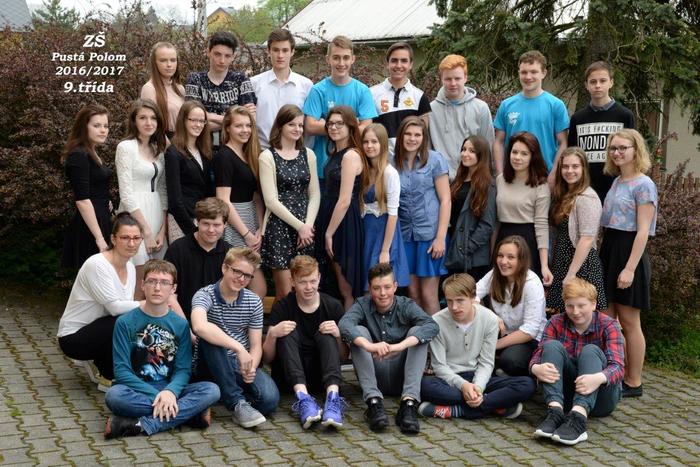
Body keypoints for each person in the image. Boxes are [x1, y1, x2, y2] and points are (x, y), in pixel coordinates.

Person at [103, 259, 220, 439]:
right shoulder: (124, 322)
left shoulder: (180, 324)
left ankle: (143, 424)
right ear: (143, 285)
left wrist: (170, 392)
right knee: (114, 397)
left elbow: (183, 370)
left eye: (164, 282)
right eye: (152, 281)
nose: (157, 288)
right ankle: (189, 414)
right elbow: (122, 371)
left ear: (173, 289)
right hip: (135, 389)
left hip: (170, 386)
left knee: (211, 390)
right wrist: (160, 396)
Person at [339, 262, 439, 434]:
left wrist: (401, 345)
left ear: (395, 286)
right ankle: (374, 403)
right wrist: (369, 346)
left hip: (403, 374)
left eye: (387, 287)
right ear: (370, 288)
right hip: (375, 372)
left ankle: (409, 404)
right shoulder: (362, 304)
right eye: (377, 288)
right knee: (358, 333)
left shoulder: (406, 305)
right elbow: (344, 324)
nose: (383, 293)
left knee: (418, 332)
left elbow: (432, 326)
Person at [419, 274, 536, 420]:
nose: (454, 307)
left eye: (460, 301)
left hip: (478, 376)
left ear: (473, 298)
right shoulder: (436, 322)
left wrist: (478, 387)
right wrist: (464, 386)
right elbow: (440, 367)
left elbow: (486, 363)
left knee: (527, 384)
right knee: (424, 386)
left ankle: (457, 410)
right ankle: (494, 404)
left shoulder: (489, 320)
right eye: (449, 301)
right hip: (448, 379)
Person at [191, 247, 280, 428]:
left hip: (239, 363)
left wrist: (251, 367)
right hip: (209, 363)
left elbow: (255, 345)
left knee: (270, 400)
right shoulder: (205, 294)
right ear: (225, 268)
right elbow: (199, 326)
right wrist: (238, 348)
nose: (241, 279)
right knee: (211, 336)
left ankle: (224, 394)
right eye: (237, 272)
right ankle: (236, 403)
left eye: (247, 276)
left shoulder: (253, 301)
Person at [530, 278, 624, 446]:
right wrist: (535, 368)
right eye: (570, 306)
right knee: (551, 346)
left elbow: (618, 367)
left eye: (581, 305)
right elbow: (538, 354)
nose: (575, 312)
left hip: (601, 397)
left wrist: (597, 378)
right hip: (566, 396)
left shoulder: (609, 325)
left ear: (593, 304)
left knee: (590, 351)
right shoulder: (556, 322)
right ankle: (555, 412)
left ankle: (579, 419)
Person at [600, 129, 657, 398]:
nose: (617, 152)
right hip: (610, 250)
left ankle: (634, 382)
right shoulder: (617, 182)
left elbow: (643, 231)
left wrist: (630, 268)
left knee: (629, 321)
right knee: (608, 319)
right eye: (613, 148)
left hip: (629, 253)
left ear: (636, 150)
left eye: (623, 148)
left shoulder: (644, 184)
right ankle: (616, 374)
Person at [262, 255, 347, 429]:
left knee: (327, 334)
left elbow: (344, 356)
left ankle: (333, 399)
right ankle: (304, 399)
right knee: (286, 333)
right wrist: (272, 335)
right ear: (292, 281)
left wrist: (338, 335)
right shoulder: (283, 307)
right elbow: (267, 358)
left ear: (319, 278)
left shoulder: (333, 306)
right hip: (290, 381)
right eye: (303, 282)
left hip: (322, 379)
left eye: (313, 281)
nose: (309, 287)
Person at [58, 214, 142, 382]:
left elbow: (124, 307)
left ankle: (124, 369)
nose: (131, 243)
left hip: (102, 330)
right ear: (113, 239)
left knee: (135, 322)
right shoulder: (97, 264)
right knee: (125, 322)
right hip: (73, 338)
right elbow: (115, 308)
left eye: (136, 238)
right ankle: (108, 374)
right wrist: (148, 305)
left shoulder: (131, 267)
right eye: (125, 238)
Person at [259, 104, 321, 300]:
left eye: (300, 125)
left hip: (306, 229)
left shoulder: (308, 154)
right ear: (281, 126)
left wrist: (307, 226)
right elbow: (270, 200)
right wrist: (299, 226)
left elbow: (315, 194)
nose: (297, 129)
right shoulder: (267, 156)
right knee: (285, 292)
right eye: (292, 124)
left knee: (305, 287)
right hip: (280, 226)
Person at [394, 116, 451, 314]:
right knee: (413, 295)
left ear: (424, 137)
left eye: (417, 135)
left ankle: (435, 335)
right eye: (408, 134)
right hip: (405, 236)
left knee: (428, 295)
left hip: (430, 236)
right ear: (401, 136)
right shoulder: (392, 162)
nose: (412, 139)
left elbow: (445, 200)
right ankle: (419, 333)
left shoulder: (435, 159)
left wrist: (440, 238)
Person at [303, 35, 377, 180]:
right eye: (336, 58)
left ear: (353, 59)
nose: (341, 63)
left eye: (346, 58)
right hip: (323, 168)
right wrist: (352, 124)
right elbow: (310, 126)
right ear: (328, 59)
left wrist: (326, 124)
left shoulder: (363, 91)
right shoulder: (318, 90)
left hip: (354, 168)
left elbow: (366, 128)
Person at [116, 99, 169, 299]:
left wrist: (162, 230)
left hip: (156, 210)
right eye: (143, 118)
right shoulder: (125, 147)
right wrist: (145, 231)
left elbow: (162, 189)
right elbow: (126, 193)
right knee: (138, 277)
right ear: (134, 121)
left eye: (153, 118)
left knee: (156, 276)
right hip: (134, 214)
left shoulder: (158, 149)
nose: (149, 122)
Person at [314, 106, 366, 308]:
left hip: (343, 222)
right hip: (330, 216)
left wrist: (329, 233)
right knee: (334, 283)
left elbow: (344, 200)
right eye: (330, 124)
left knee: (346, 287)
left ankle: (348, 327)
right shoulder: (335, 152)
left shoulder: (350, 156)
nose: (333, 127)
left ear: (350, 126)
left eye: (339, 123)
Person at [214, 105, 266, 298]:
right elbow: (223, 200)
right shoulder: (224, 156)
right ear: (227, 128)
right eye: (238, 126)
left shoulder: (250, 154)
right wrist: (246, 233)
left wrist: (259, 228)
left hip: (251, 221)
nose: (245, 130)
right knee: (239, 282)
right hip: (235, 223)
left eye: (248, 125)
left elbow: (256, 196)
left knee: (256, 288)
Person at [476, 236, 547, 376]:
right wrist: (490, 315)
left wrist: (493, 346)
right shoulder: (494, 275)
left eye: (510, 257)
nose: (503, 262)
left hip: (529, 339)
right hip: (502, 332)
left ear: (521, 260)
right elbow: (471, 295)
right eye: (500, 255)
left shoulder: (531, 283)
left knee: (510, 360)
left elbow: (530, 330)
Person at [493, 50, 569, 182]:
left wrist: (554, 174)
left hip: (544, 177)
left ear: (543, 73)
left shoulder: (556, 105)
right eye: (524, 72)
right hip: (512, 177)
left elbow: (563, 143)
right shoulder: (506, 105)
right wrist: (500, 174)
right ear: (519, 73)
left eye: (534, 72)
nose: (528, 77)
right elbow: (499, 142)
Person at [547, 147, 607, 314]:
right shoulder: (564, 194)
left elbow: (587, 238)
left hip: (581, 266)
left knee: (582, 318)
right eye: (565, 167)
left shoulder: (587, 197)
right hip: (563, 263)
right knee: (563, 318)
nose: (569, 171)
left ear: (583, 169)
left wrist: (571, 274)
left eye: (575, 166)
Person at [568, 61, 636, 202]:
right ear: (586, 85)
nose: (598, 85)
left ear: (611, 82)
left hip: (617, 189)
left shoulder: (625, 116)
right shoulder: (577, 118)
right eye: (593, 82)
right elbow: (572, 154)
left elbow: (633, 154)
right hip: (584, 189)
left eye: (602, 81)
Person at [496, 132, 552, 284]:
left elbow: (541, 225)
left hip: (528, 240)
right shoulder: (500, 180)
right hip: (503, 237)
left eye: (524, 154)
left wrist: (544, 265)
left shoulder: (541, 185)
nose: (517, 157)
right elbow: (495, 220)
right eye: (514, 152)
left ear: (533, 157)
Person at [62, 103, 112, 270]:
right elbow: (82, 200)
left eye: (105, 126)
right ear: (84, 127)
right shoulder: (79, 155)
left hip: (101, 219)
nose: (103, 130)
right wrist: (99, 239)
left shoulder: (91, 152)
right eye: (97, 126)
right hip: (90, 226)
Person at [429, 54, 495, 180]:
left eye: (457, 78)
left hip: (474, 179)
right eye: (448, 79)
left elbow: (488, 146)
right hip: (442, 180)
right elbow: (428, 149)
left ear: (465, 78)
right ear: (441, 79)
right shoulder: (431, 110)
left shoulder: (480, 108)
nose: (453, 83)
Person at [164, 197, 231, 321]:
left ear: (225, 225)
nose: (211, 230)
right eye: (206, 224)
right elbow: (168, 293)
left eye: (216, 225)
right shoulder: (177, 250)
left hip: (219, 323)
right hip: (181, 319)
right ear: (197, 222)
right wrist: (185, 328)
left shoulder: (230, 254)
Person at [359, 123, 409, 289]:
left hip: (382, 232)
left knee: (379, 284)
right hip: (365, 231)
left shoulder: (390, 173)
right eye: (366, 142)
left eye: (374, 141)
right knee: (365, 285)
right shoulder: (363, 170)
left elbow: (393, 214)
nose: (369, 146)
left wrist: (385, 250)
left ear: (383, 144)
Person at [185, 31, 256, 146]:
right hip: (202, 148)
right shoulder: (195, 80)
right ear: (208, 52)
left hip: (235, 148)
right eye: (217, 54)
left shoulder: (241, 79)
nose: (222, 61)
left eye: (227, 56)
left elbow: (250, 120)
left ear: (233, 57)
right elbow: (193, 121)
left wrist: (209, 117)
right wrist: (234, 122)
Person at [445, 135, 496, 282]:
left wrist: (466, 248)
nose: (465, 154)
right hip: (454, 248)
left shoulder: (487, 184)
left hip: (473, 257)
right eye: (464, 149)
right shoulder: (458, 181)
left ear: (481, 155)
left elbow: (487, 225)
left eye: (471, 151)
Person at [251, 29, 313, 149]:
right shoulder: (254, 83)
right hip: (262, 151)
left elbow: (307, 125)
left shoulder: (306, 85)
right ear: (268, 51)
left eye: (285, 50)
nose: (280, 55)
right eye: (276, 50)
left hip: (295, 152)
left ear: (292, 52)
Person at [164, 101, 214, 243]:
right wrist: (192, 231)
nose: (198, 125)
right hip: (182, 221)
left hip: (203, 219)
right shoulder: (173, 153)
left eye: (202, 121)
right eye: (193, 120)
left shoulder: (205, 151)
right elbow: (175, 200)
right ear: (183, 120)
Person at [370, 42, 431, 156]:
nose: (399, 65)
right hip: (381, 161)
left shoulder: (419, 96)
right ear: (387, 63)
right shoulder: (371, 94)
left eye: (404, 61)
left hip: (410, 162)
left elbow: (423, 135)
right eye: (394, 60)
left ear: (411, 64)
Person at [141, 42, 185, 139]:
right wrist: (170, 146)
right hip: (163, 141)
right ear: (155, 63)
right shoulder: (149, 89)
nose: (169, 65)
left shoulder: (180, 88)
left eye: (173, 60)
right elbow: (151, 125)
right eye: (163, 60)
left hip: (182, 140)